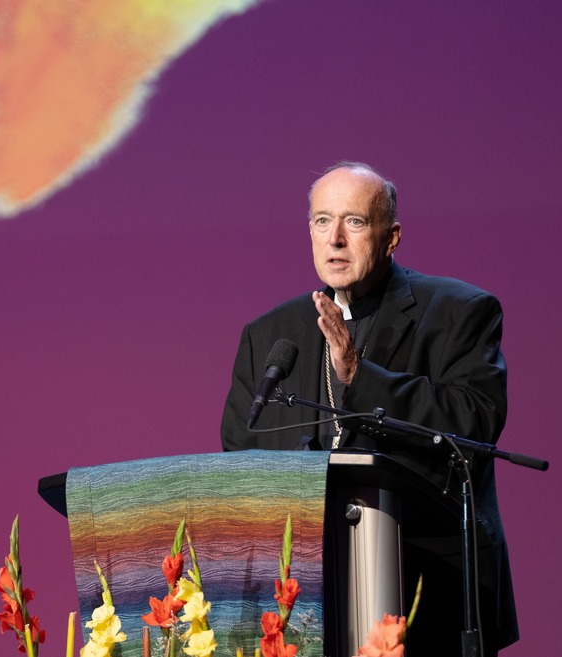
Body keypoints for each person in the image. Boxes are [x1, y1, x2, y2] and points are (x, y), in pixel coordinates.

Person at [220, 162, 519, 654]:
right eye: (322, 220)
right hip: (304, 600)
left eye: (354, 222)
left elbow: (475, 422)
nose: (335, 238)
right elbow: (241, 449)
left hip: (427, 587)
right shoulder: (269, 334)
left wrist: (361, 376)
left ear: (391, 236)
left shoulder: (459, 311)